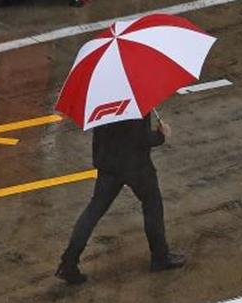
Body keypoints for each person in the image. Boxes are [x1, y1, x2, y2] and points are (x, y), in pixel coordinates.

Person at [57, 112, 185, 284]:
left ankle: (69, 262)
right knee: (152, 204)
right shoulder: (133, 99)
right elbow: (141, 137)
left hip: (108, 164)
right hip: (136, 165)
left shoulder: (101, 96)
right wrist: (161, 135)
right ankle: (160, 256)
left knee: (93, 211)